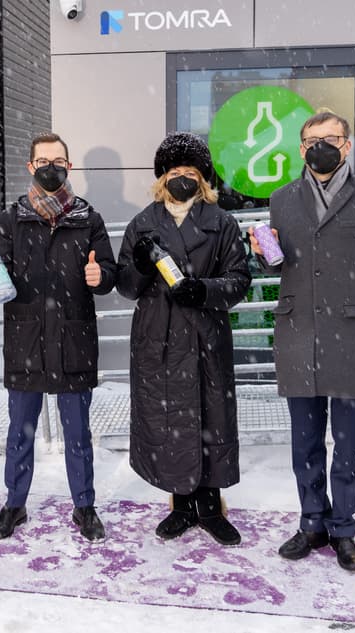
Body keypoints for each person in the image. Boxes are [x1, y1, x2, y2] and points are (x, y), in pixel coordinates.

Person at [250, 111, 355, 572]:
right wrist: (264, 257)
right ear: (300, 149)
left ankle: (343, 529)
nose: (321, 146)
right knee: (305, 443)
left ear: (347, 145)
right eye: (311, 139)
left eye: (331, 138)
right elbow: (281, 268)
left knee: (349, 444)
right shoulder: (282, 199)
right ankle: (311, 522)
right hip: (300, 336)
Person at [0, 132, 117, 542]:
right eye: (43, 161)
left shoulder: (88, 218)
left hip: (74, 339)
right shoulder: (11, 219)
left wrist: (101, 276)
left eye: (58, 160)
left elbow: (109, 271)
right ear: (31, 167)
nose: (51, 167)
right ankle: (14, 504)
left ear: (69, 167)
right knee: (20, 430)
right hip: (26, 342)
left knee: (78, 433)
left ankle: (84, 506)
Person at [116, 132, 250, 547]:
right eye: (175, 171)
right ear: (162, 177)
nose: (182, 178)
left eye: (190, 172)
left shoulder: (222, 223)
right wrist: (138, 266)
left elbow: (240, 279)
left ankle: (210, 508)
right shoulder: (144, 223)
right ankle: (181, 506)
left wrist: (204, 290)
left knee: (211, 418)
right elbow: (126, 285)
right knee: (171, 420)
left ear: (203, 178)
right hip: (159, 338)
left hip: (206, 336)